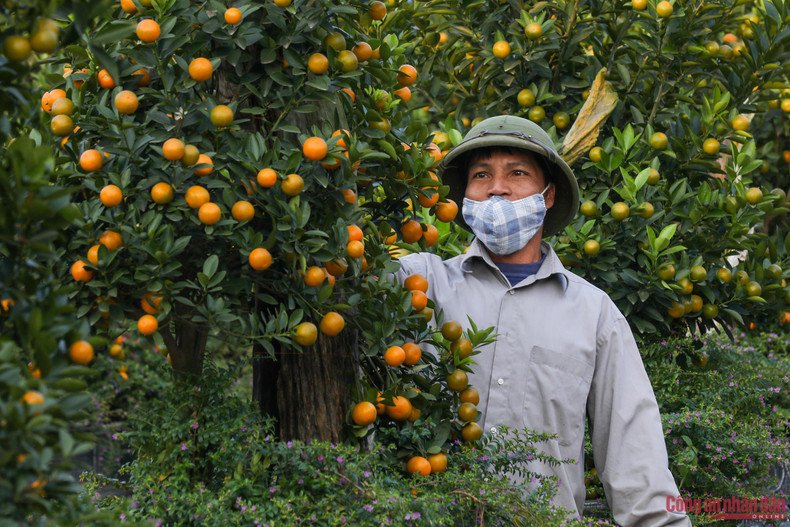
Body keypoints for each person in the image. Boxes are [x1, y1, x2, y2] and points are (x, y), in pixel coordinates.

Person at [394, 115, 690, 526]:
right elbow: (345, 271)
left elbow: (637, 460)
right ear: (463, 195)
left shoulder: (594, 314)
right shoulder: (420, 283)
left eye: (517, 173)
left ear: (548, 195)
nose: (497, 187)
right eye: (481, 174)